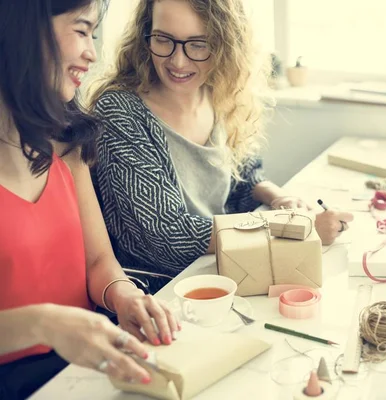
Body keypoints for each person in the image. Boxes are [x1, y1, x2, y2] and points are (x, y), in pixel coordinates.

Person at [90, 0, 354, 293]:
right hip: (160, 292)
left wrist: (279, 197)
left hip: (226, 268)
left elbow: (242, 178)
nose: (178, 61)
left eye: (198, 45)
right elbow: (166, 238)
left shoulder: (219, 94)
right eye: (163, 40)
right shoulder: (121, 112)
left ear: (224, 45)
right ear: (145, 34)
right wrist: (292, 228)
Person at [0, 1, 179, 398]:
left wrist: (124, 294)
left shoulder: (65, 140)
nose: (92, 53)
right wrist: (44, 324)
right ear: (23, 30)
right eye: (81, 30)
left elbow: (98, 261)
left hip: (84, 364)